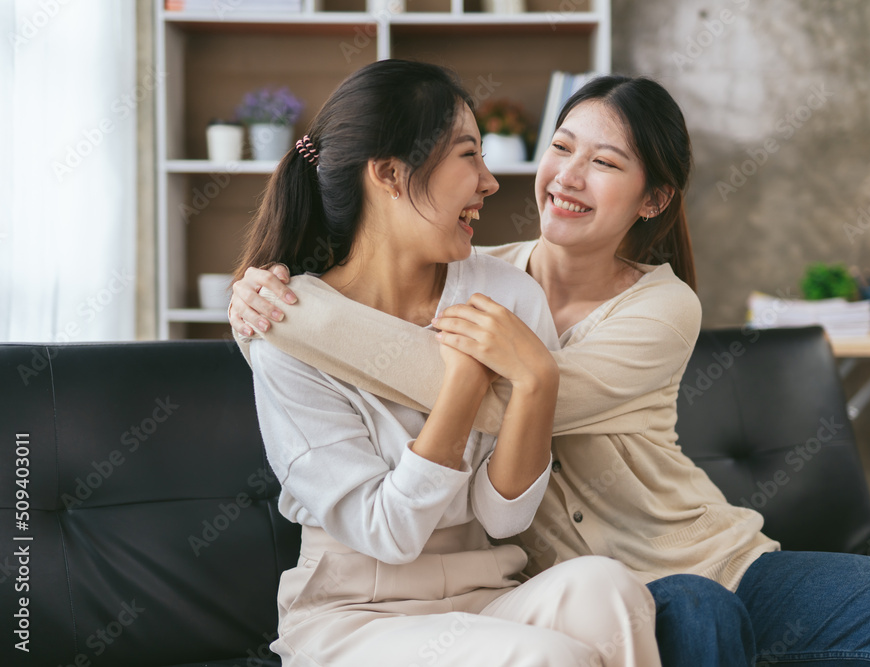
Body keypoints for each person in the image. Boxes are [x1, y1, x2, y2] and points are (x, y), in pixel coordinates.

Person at [232, 73, 870, 666]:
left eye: (604, 162)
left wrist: (304, 318)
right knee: (691, 615)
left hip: (704, 560)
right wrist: (269, 301)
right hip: (578, 591)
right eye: (561, 147)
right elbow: (417, 325)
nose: (566, 176)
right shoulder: (485, 274)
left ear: (653, 197)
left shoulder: (660, 309)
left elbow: (508, 404)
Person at [238, 59, 660, 667]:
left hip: (484, 594)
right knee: (543, 657)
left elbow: (505, 514)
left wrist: (537, 378)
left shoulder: (504, 294)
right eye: (469, 156)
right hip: (357, 618)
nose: (490, 182)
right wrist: (463, 385)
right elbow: (388, 532)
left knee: (609, 591)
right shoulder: (286, 326)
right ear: (388, 173)